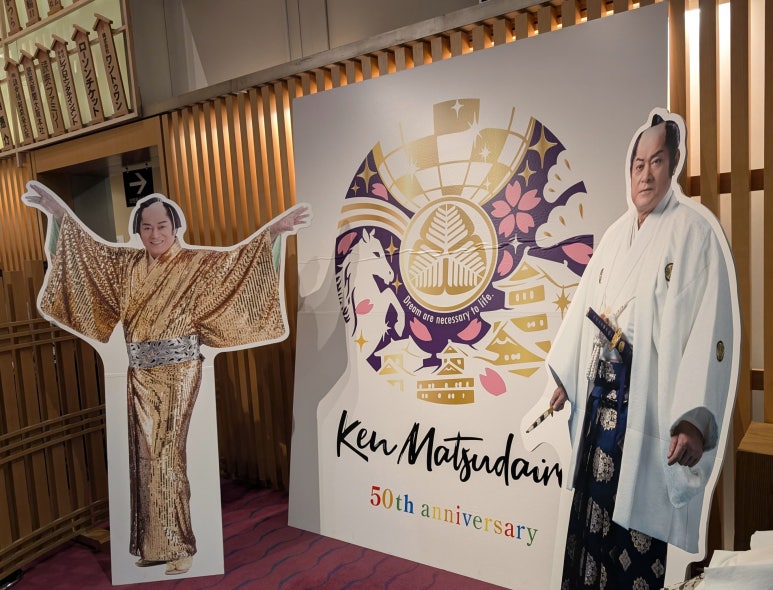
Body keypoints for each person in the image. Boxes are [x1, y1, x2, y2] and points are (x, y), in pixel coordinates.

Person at [22, 181, 310, 576]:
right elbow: (87, 259)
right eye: (146, 228)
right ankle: (154, 545)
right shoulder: (125, 265)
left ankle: (181, 546)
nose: (155, 235)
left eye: (162, 226)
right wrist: (57, 215)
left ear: (175, 228)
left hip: (179, 372)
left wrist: (273, 234)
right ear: (137, 231)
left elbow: (237, 269)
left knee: (166, 454)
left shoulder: (195, 264)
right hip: (138, 372)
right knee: (143, 455)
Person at [546, 112, 736, 589]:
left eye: (657, 161)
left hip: (647, 409)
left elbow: (709, 330)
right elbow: (581, 312)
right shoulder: (614, 237)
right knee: (588, 524)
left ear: (673, 165)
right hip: (600, 415)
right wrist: (563, 379)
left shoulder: (695, 235)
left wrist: (693, 418)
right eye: (638, 164)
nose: (646, 173)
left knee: (633, 537)